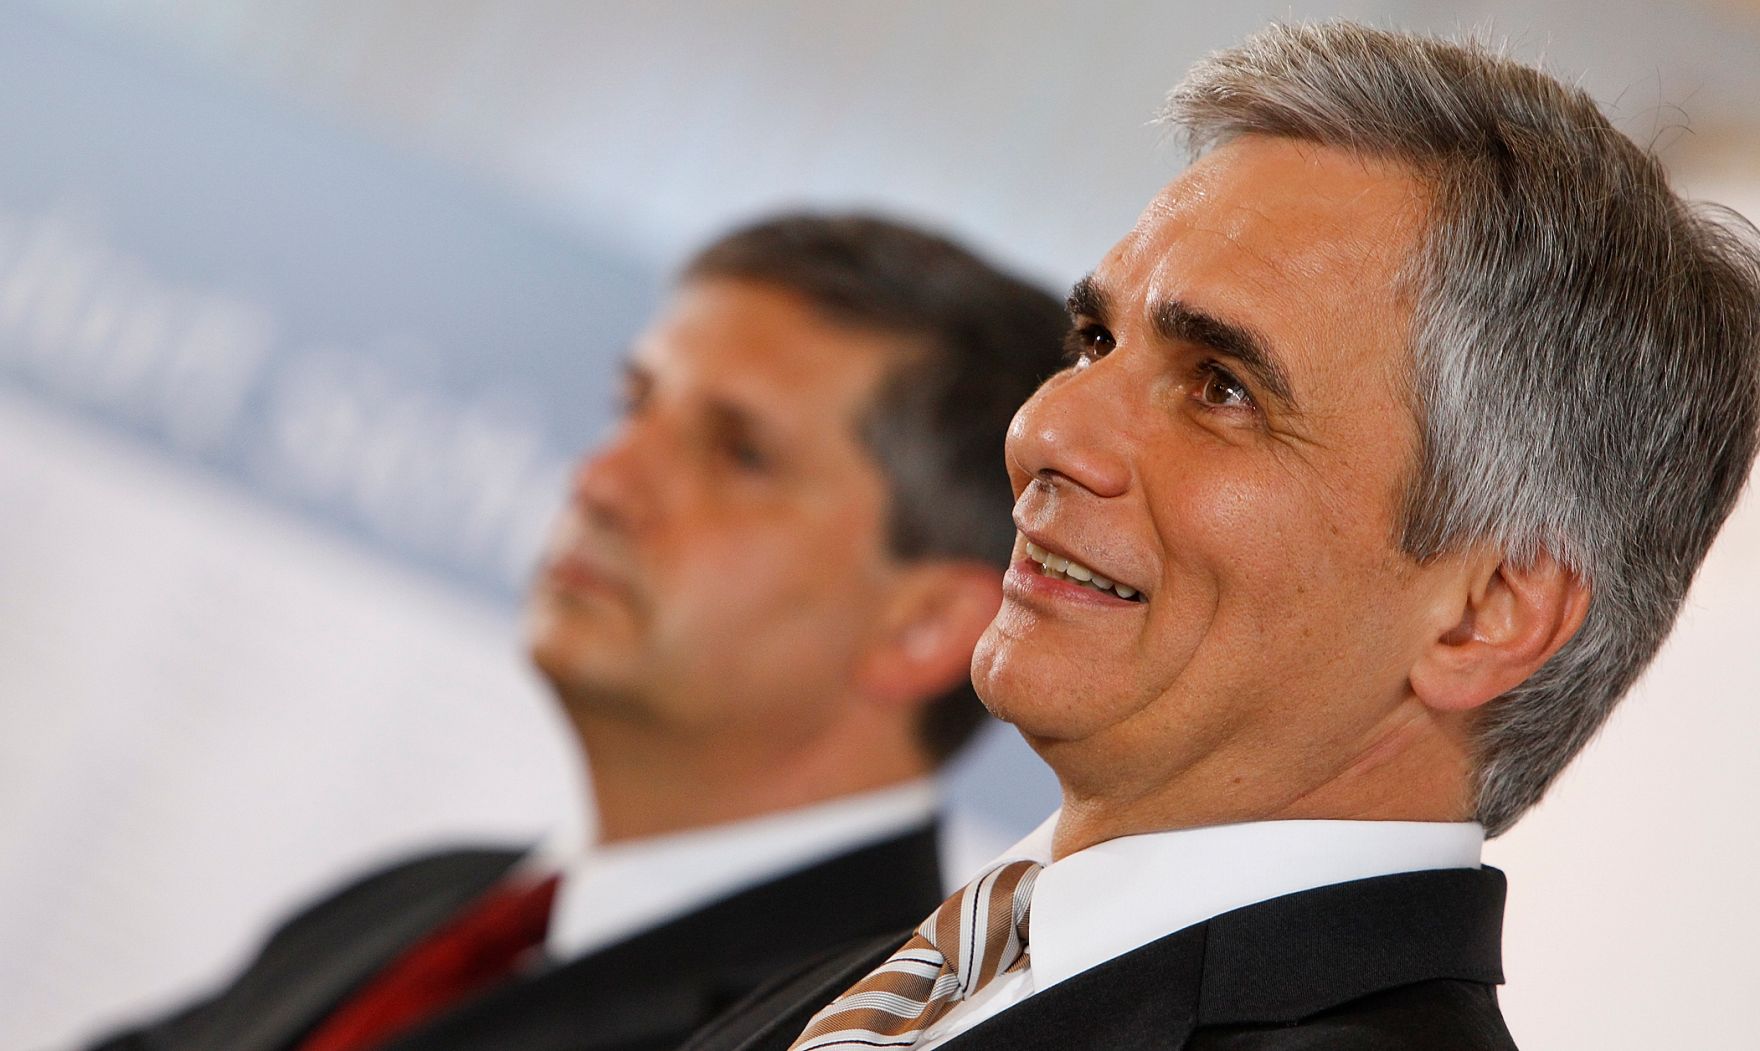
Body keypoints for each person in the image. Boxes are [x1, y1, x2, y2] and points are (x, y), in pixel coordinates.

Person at [681, 23, 1760, 1051]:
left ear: (1485, 614)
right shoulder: (874, 981)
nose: (1043, 427)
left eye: (1220, 388)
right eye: (1094, 338)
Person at [83, 213, 1070, 1051]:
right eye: (633, 406)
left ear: (926, 624)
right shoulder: (420, 899)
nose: (599, 481)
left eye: (738, 453)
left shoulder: (858, 1029)